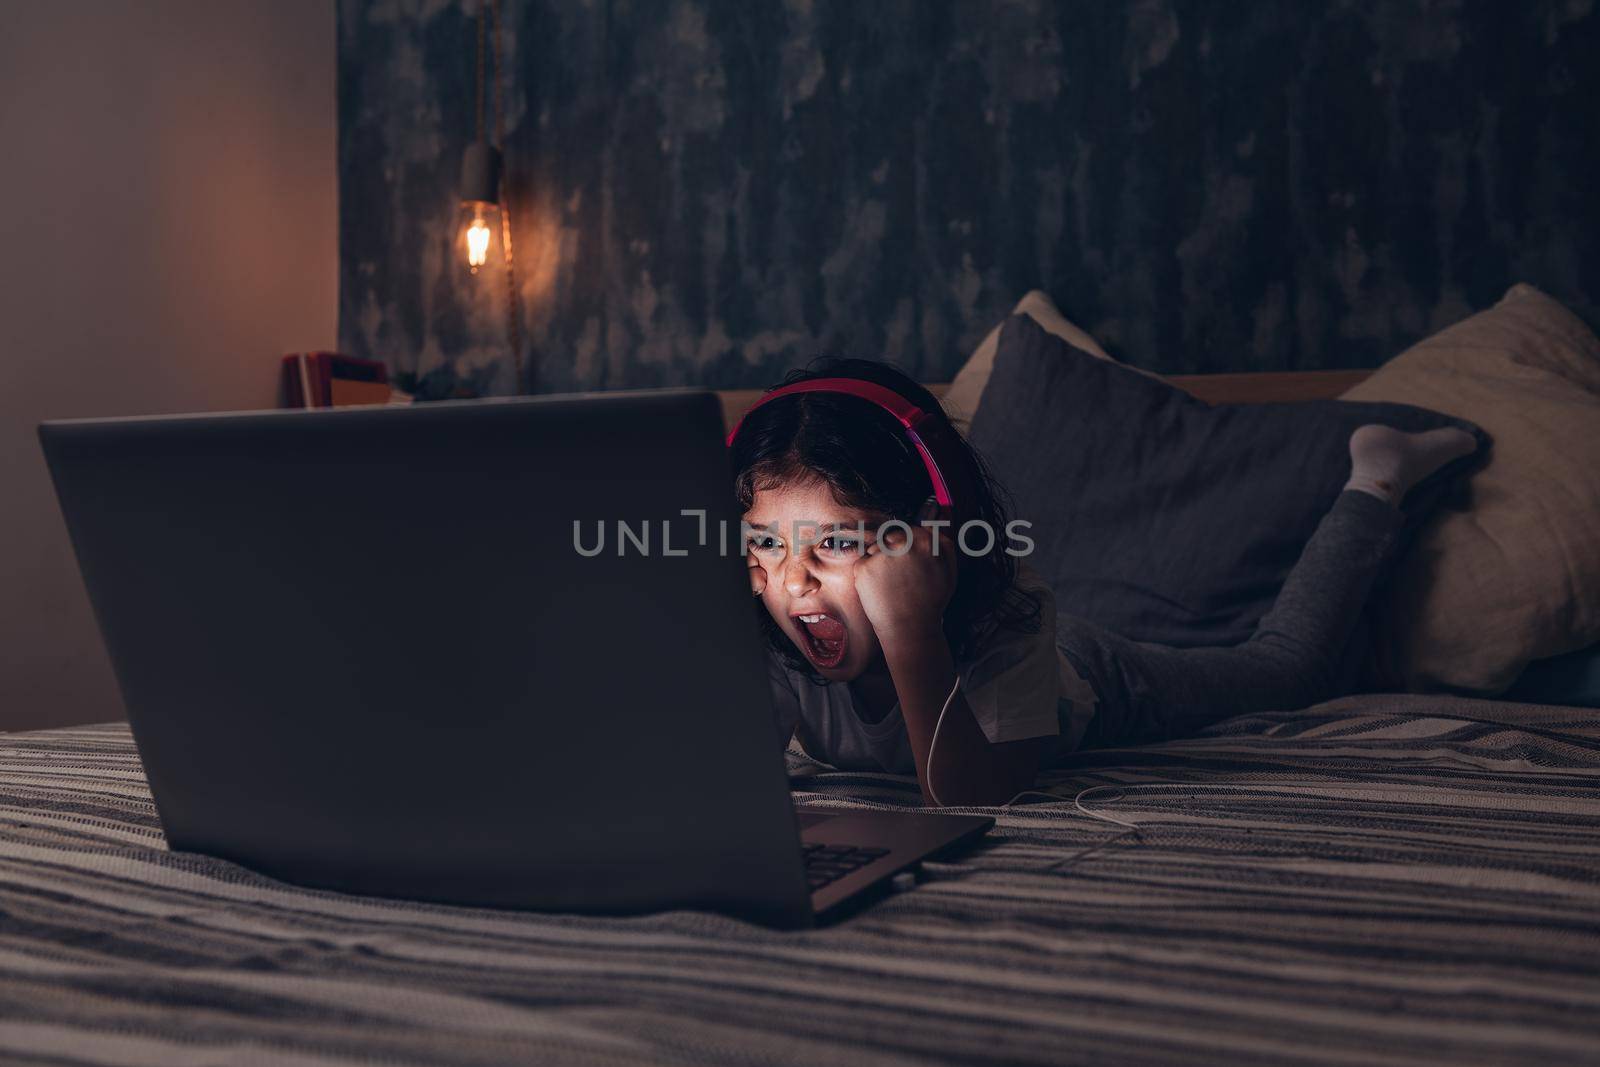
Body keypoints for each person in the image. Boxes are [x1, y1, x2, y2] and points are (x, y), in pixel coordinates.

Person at [730, 358, 1479, 807]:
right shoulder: (767, 611)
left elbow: (966, 797)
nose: (793, 579)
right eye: (764, 541)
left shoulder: (1005, 619)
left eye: (833, 542)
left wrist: (911, 630)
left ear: (924, 538)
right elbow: (730, 779)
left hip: (1097, 677)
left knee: (1286, 668)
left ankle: (1377, 480)